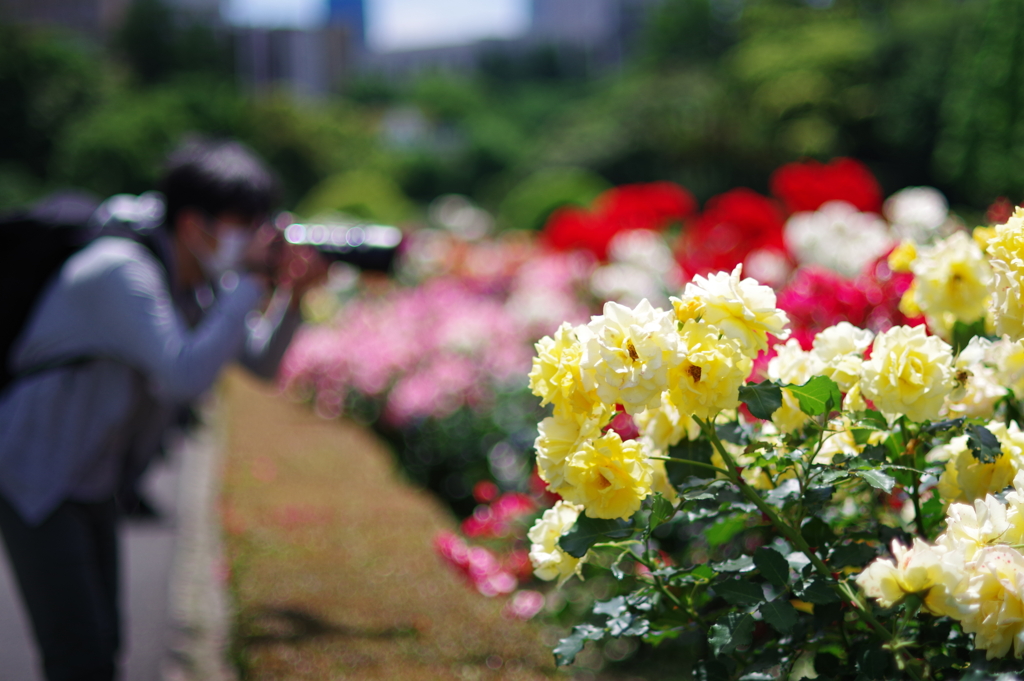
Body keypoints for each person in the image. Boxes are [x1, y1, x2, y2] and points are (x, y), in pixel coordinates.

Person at [0, 138, 325, 681]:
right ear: (196, 225)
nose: (255, 237)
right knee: (78, 653)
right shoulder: (120, 271)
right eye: (244, 223)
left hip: (89, 480)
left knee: (103, 645)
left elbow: (262, 364)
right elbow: (183, 376)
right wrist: (247, 280)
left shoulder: (196, 279)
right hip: (34, 475)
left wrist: (293, 294)